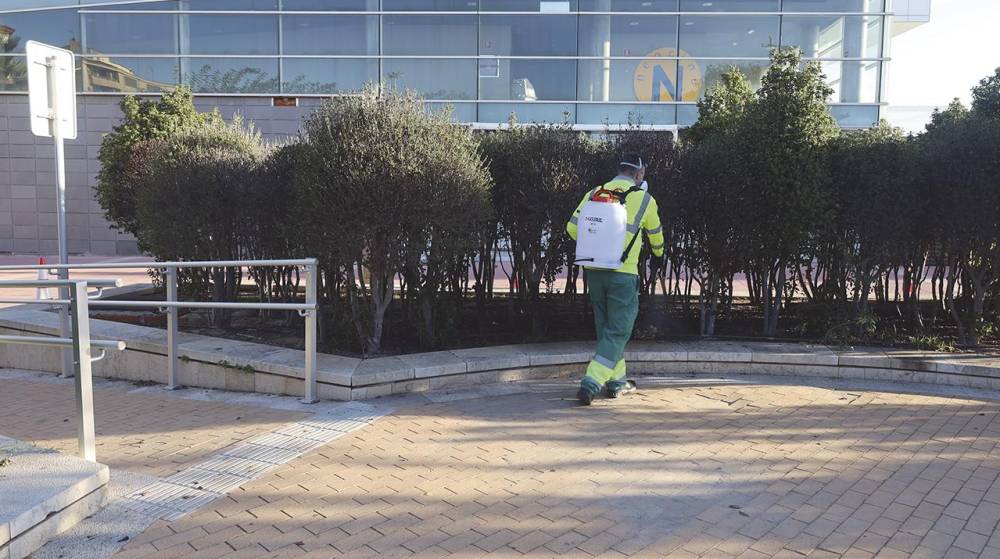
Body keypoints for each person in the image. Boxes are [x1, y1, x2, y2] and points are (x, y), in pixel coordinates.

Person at [566, 153, 665, 405]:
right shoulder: (644, 199)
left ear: (619, 170)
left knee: (607, 328)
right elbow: (655, 234)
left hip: (595, 272)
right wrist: (659, 255)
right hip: (623, 273)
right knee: (619, 329)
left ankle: (617, 382)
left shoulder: (594, 193)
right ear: (639, 175)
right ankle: (591, 381)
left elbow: (572, 228)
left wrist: (598, 243)